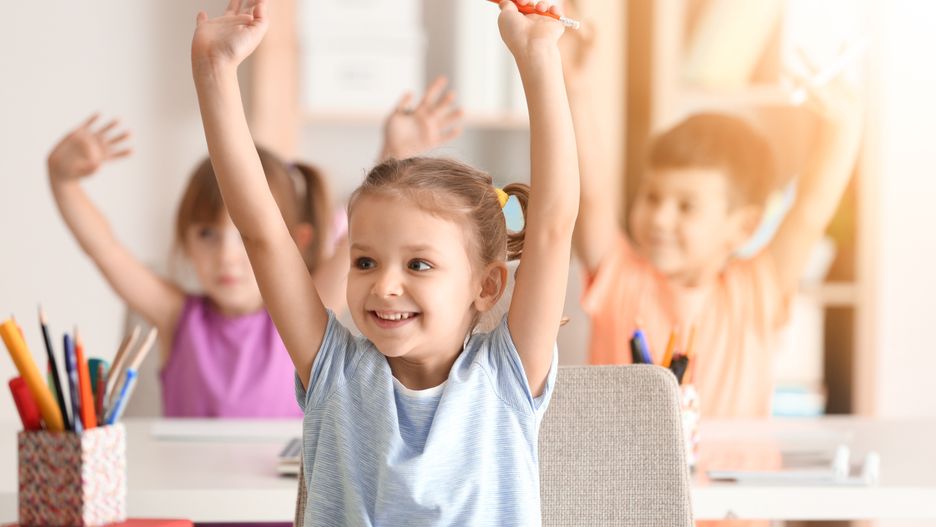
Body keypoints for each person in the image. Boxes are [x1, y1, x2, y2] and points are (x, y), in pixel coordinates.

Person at [190, 0, 577, 523]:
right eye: (366, 262)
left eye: (418, 265)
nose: (384, 286)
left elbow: (553, 228)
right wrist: (215, 71)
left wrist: (537, 56)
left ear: (486, 286)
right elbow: (262, 234)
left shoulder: (505, 376)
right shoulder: (336, 374)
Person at [46, 79, 462, 417]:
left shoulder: (305, 310)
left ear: (294, 243)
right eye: (207, 235)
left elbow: (358, 235)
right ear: (186, 242)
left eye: (244, 239)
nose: (227, 256)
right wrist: (63, 181)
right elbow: (104, 249)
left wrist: (396, 154)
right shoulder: (176, 317)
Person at [560, 13, 865, 418]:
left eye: (687, 206)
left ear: (744, 227)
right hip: (623, 464)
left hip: (740, 464)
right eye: (651, 197)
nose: (660, 218)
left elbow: (810, 211)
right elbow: (593, 196)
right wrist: (575, 88)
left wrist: (846, 125)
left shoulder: (756, 292)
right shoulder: (619, 280)